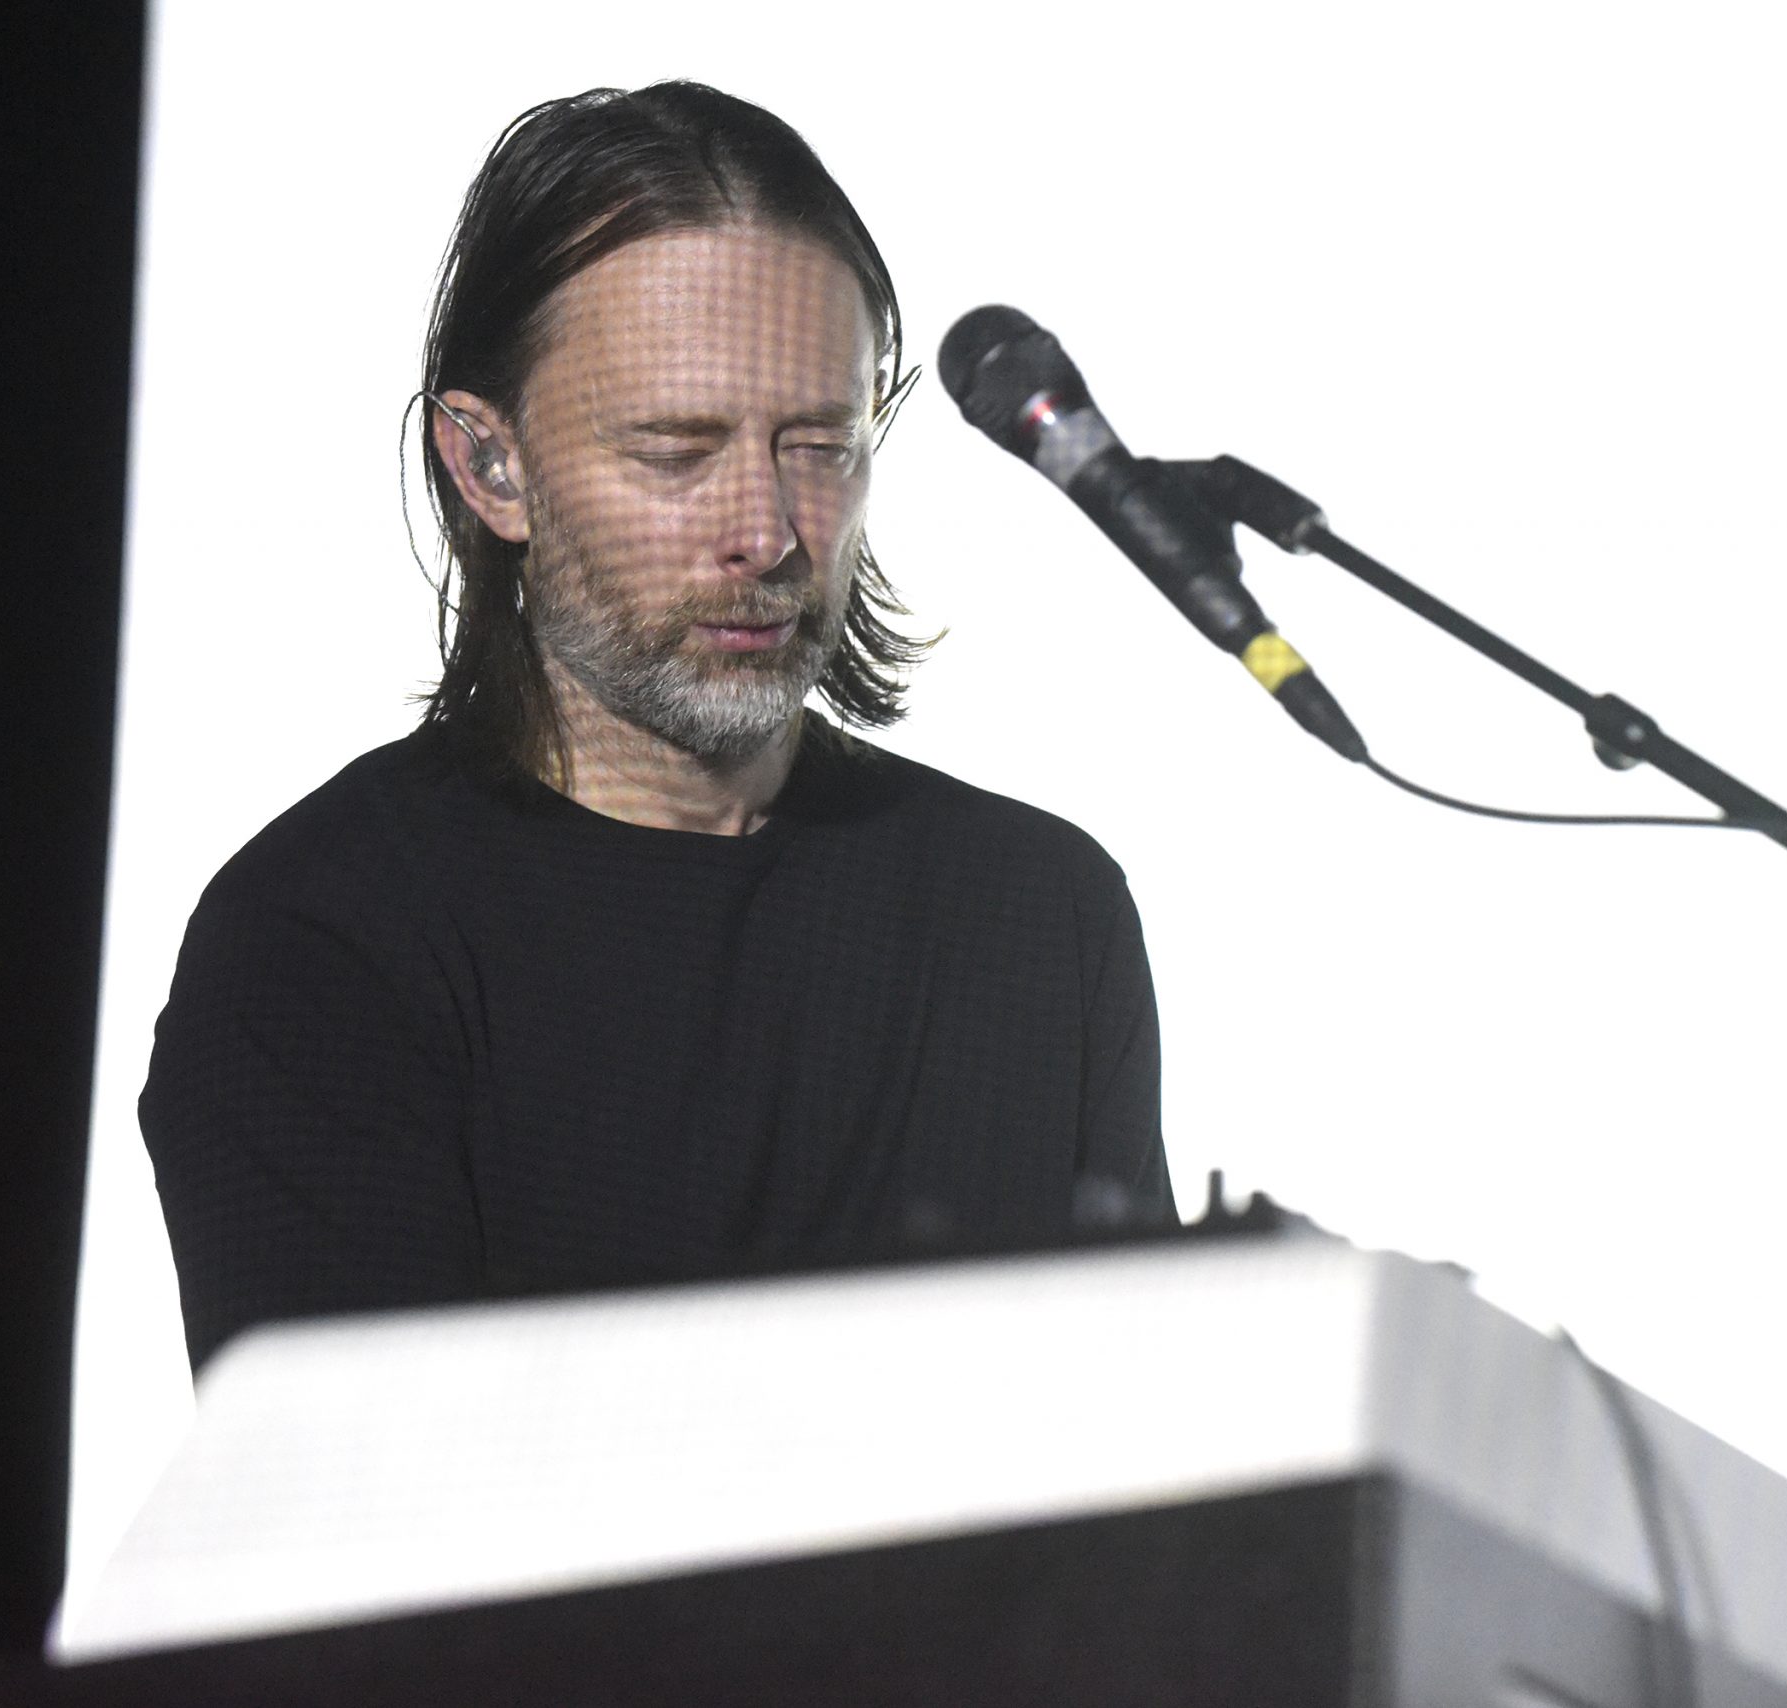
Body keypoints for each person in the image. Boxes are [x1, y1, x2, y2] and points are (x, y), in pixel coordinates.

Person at [142, 82, 1173, 1375]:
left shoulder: (1042, 914)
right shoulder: (324, 942)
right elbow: (360, 1491)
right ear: (490, 468)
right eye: (677, 451)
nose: (767, 532)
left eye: (819, 445)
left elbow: (1157, 1440)